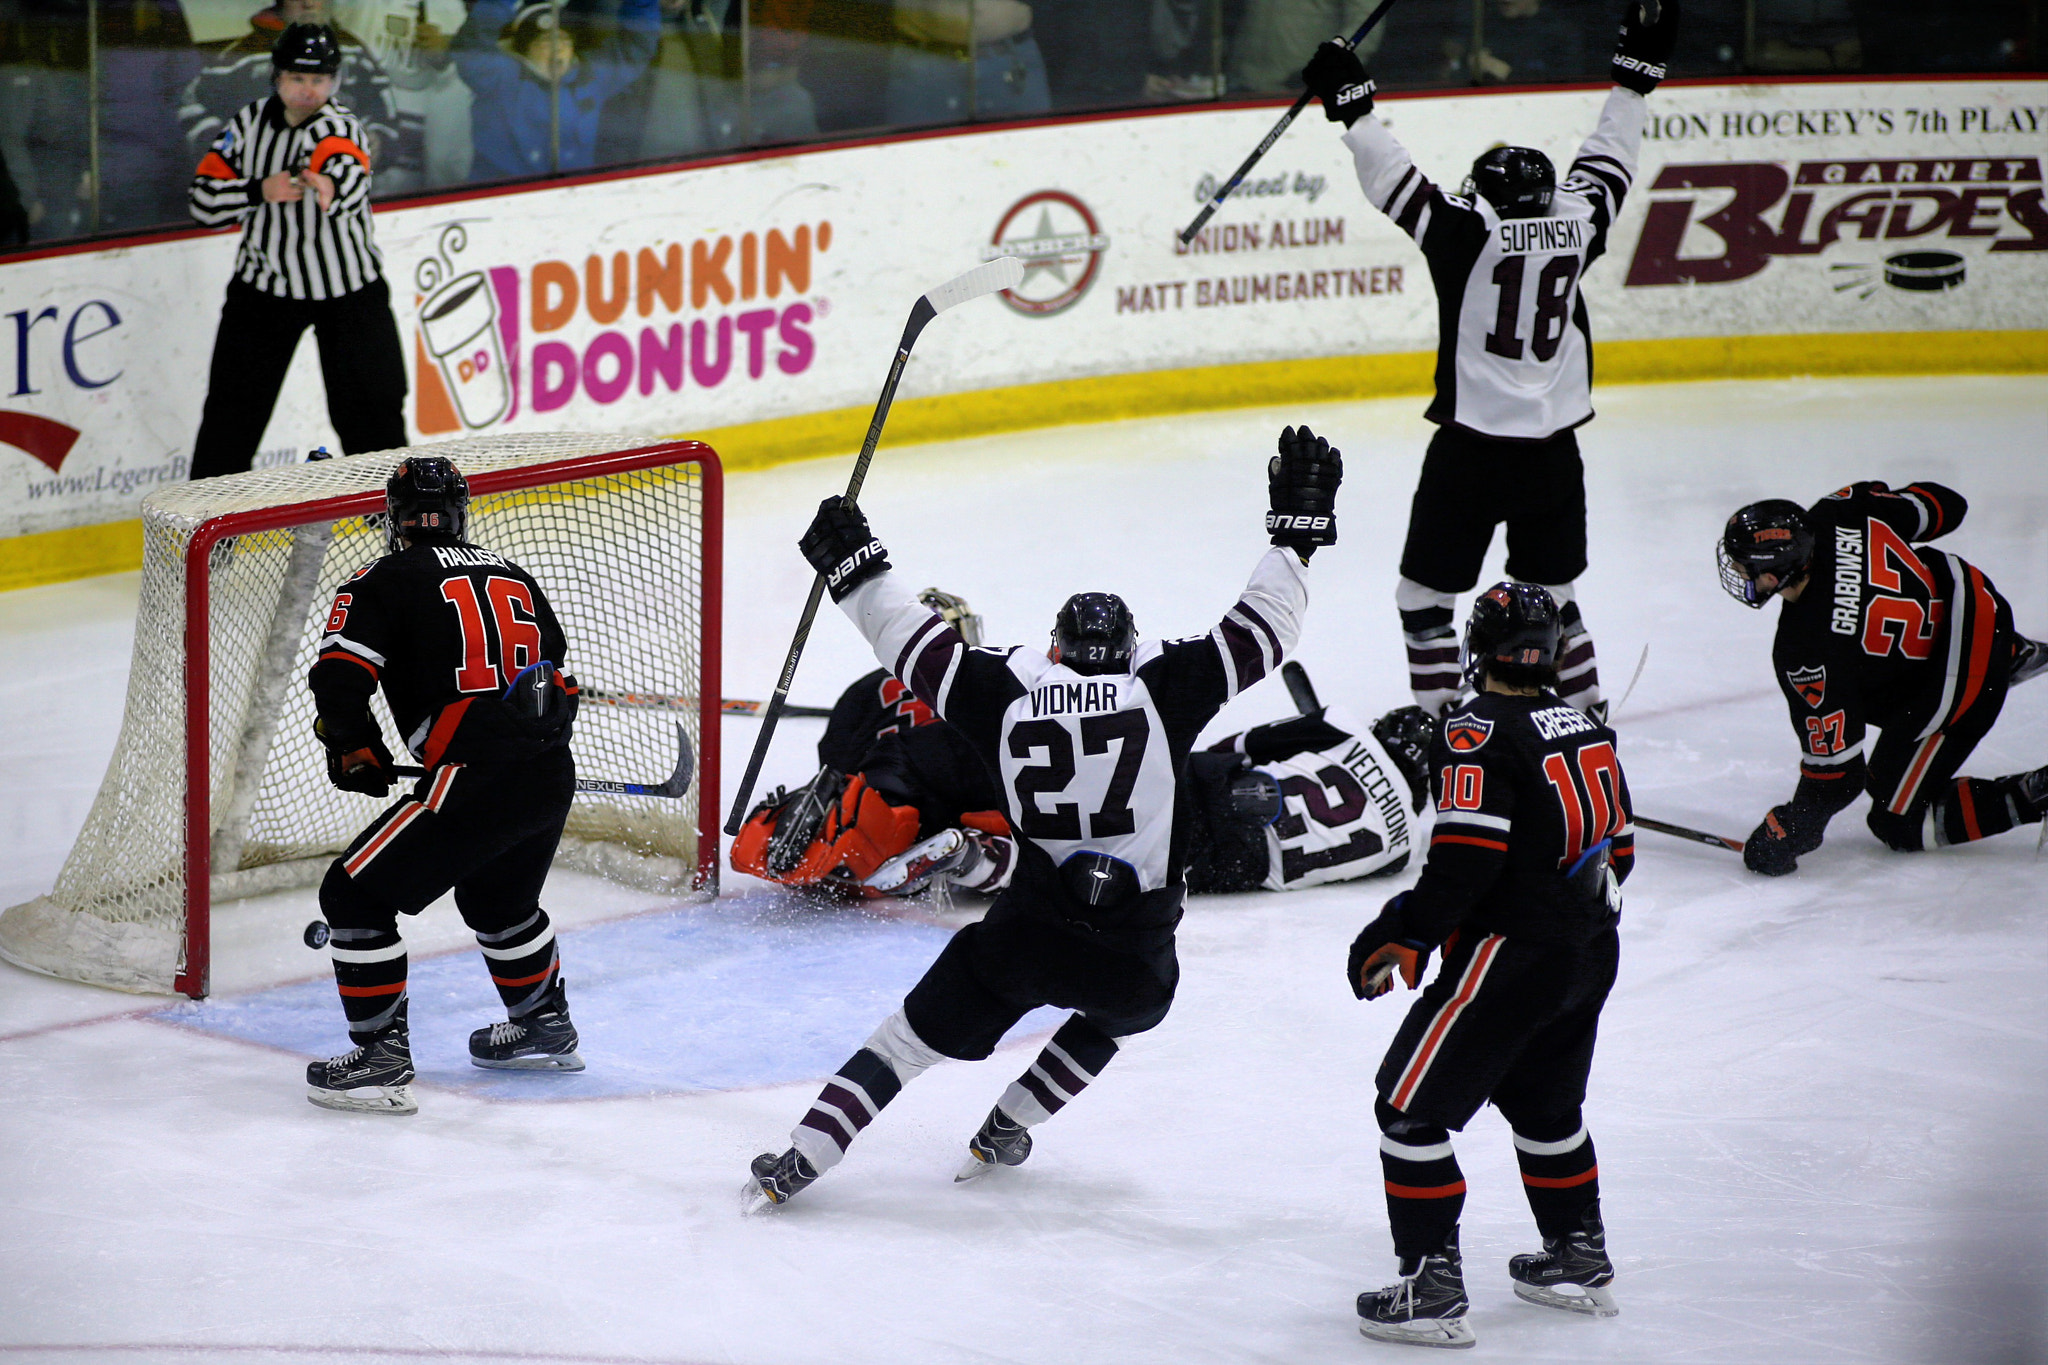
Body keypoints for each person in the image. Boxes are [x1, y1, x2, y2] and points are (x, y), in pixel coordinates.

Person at [744, 424, 1341, 1209]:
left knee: (902, 1044)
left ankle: (800, 1159)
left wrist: (856, 570)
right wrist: (1295, 540)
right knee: (1122, 1014)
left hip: (1022, 940)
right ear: (1128, 649)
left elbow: (909, 641)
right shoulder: (1166, 685)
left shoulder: (1003, 693)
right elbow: (1266, 629)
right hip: (1134, 954)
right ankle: (1008, 1126)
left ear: (1056, 649)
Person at [1300, 0, 1680, 720]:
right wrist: (1634, 82)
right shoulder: (1578, 221)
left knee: (1425, 600)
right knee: (1557, 600)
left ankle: (1447, 726)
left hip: (1471, 456)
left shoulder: (1466, 235)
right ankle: (1588, 717)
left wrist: (1353, 107)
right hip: (1554, 456)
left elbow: (1395, 181)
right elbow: (1610, 158)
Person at [1344, 581, 1636, 1348]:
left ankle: (1431, 1287)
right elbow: (1622, 851)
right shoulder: (1585, 724)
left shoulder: (1475, 728)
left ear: (1482, 648)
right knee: (1545, 1108)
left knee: (1408, 1108)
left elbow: (1468, 857)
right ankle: (1579, 1256)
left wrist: (1406, 927)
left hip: (1510, 956)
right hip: (1590, 949)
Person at [303, 456, 586, 1115]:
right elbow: (551, 661)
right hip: (549, 769)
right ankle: (543, 1022)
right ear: (461, 511)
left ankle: (380, 1057)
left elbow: (339, 678)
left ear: (394, 516)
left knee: (352, 894)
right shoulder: (510, 571)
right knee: (498, 899)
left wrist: (356, 747)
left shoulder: (382, 577)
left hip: (474, 777)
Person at [1718, 482, 2048, 875]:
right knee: (1878, 684)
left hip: (1960, 675)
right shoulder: (1835, 513)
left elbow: (1838, 776)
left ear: (1775, 573)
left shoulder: (1804, 649)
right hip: (1976, 598)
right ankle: (2010, 650)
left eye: (1747, 567)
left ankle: (2035, 794)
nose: (1738, 572)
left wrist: (1790, 830)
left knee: (1898, 821)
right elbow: (1948, 506)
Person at [186, 22, 410, 480]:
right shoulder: (247, 125)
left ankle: (399, 531)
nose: (309, 91)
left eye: (320, 80)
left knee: (374, 416)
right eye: (298, 79)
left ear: (335, 82)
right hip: (263, 290)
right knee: (230, 419)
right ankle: (210, 538)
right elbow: (203, 201)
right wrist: (257, 190)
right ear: (277, 77)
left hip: (349, 291)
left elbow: (347, 167)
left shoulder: (341, 127)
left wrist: (329, 185)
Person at [181, 0, 405, 189]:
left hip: (340, 192)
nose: (309, 3)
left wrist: (378, 141)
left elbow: (384, 114)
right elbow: (191, 111)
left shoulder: (354, 51)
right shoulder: (239, 59)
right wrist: (232, 153)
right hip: (265, 197)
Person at [452, 0, 658, 180]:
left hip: (573, 195)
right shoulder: (498, 77)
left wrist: (641, 3)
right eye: (545, 41)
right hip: (502, 197)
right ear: (525, 50)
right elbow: (472, 46)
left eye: (564, 40)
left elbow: (636, 46)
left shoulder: (590, 77)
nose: (558, 47)